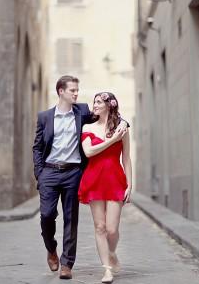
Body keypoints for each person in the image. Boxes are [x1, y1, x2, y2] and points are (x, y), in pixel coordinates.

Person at [32, 76, 128, 280]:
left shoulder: (83, 111)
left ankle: (67, 263)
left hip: (73, 172)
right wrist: (40, 174)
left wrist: (125, 123)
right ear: (61, 92)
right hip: (49, 171)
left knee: (71, 218)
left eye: (77, 90)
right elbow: (38, 147)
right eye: (72, 90)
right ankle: (51, 248)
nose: (76, 93)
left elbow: (110, 116)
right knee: (47, 215)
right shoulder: (45, 117)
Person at [78, 92, 132, 283]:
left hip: (115, 180)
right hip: (94, 179)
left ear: (110, 105)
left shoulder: (122, 128)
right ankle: (107, 269)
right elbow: (89, 151)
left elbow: (126, 158)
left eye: (99, 102)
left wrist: (130, 185)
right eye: (95, 102)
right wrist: (111, 140)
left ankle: (111, 252)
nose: (95, 105)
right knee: (99, 227)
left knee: (111, 229)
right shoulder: (87, 127)